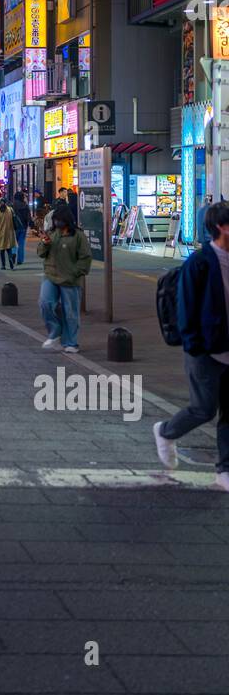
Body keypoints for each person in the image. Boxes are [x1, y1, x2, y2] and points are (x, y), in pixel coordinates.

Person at [154, 200, 229, 491]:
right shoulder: (200, 262)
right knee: (204, 409)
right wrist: (194, 345)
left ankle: (224, 469)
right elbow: (186, 307)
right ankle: (166, 431)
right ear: (221, 227)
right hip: (205, 350)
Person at [37, 201, 92, 353]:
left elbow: (85, 257)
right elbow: (41, 253)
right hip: (50, 275)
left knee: (71, 312)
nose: (56, 222)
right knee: (45, 303)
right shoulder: (52, 234)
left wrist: (77, 271)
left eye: (59, 219)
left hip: (70, 279)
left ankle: (71, 342)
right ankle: (55, 332)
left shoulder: (78, 236)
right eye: (55, 219)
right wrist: (45, 243)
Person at [0, 199, 17, 270]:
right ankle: (11, 262)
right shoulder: (10, 210)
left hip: (0, 232)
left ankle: (3, 265)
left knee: (2, 250)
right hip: (9, 232)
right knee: (9, 249)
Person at [12, 191, 32, 268]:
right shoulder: (25, 205)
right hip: (23, 226)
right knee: (21, 243)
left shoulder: (12, 205)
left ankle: (13, 253)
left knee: (13, 242)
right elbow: (28, 217)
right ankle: (20, 260)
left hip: (14, 226)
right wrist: (30, 224)